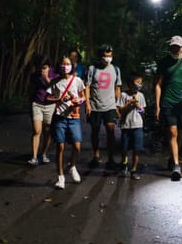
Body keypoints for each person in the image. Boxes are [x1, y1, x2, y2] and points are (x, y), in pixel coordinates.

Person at [154, 35, 182, 181]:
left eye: (177, 46)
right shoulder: (164, 63)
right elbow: (158, 84)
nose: (175, 49)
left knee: (180, 133)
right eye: (173, 46)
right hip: (168, 102)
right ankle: (176, 166)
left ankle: (173, 158)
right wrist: (157, 106)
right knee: (172, 132)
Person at [46, 55, 86, 189]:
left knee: (77, 146)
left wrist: (79, 101)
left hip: (74, 117)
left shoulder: (78, 80)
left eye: (67, 64)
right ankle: (60, 177)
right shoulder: (55, 81)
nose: (65, 66)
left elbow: (83, 96)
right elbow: (46, 98)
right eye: (62, 64)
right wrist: (59, 100)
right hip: (59, 117)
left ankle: (72, 166)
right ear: (59, 66)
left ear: (72, 66)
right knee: (60, 147)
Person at [85, 44, 122, 169]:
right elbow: (87, 86)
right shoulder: (92, 69)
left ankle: (111, 159)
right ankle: (96, 156)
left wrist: (117, 105)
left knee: (111, 131)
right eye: (105, 56)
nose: (108, 58)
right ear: (100, 56)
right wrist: (87, 104)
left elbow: (118, 87)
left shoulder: (116, 69)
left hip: (110, 106)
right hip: (95, 106)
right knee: (94, 131)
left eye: (110, 56)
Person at [27, 54, 58, 166]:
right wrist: (29, 106)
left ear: (49, 66)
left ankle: (44, 154)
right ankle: (34, 157)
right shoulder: (34, 75)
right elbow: (31, 91)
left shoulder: (55, 74)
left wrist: (46, 78)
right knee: (36, 131)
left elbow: (56, 90)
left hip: (50, 106)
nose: (42, 70)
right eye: (40, 68)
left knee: (47, 131)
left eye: (44, 67)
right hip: (37, 104)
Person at [116, 72, 146, 180]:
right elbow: (120, 110)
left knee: (136, 149)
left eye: (140, 83)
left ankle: (134, 169)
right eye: (137, 82)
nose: (139, 84)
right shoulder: (124, 95)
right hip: (126, 126)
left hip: (137, 126)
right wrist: (129, 103)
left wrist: (137, 104)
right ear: (130, 84)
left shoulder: (141, 96)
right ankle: (124, 166)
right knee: (124, 149)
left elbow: (143, 111)